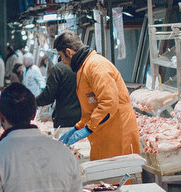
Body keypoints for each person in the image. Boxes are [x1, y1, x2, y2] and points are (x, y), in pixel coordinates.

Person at [53, 31, 139, 161]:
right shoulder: (84, 67)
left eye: (61, 57)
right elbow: (92, 107)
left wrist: (88, 128)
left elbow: (108, 103)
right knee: (104, 179)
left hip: (118, 134)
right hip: (104, 133)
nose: (62, 62)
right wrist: (78, 127)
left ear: (69, 52)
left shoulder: (96, 65)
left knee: (118, 178)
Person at [35, 49, 81, 131]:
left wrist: (32, 102)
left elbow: (48, 96)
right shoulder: (83, 67)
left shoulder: (58, 69)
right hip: (83, 119)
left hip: (64, 120)